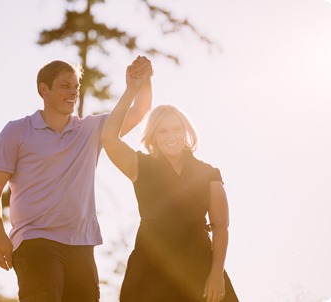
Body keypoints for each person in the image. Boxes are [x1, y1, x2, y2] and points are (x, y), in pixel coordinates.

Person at [0, 57, 153, 302]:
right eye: (65, 86)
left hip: (82, 245)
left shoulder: (91, 130)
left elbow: (138, 112)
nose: (73, 92)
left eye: (76, 87)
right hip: (35, 241)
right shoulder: (17, 131)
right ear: (44, 89)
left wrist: (141, 82)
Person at [101, 69, 239, 301]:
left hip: (199, 265)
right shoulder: (140, 166)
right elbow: (109, 138)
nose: (170, 136)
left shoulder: (209, 173)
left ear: (186, 132)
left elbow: (221, 226)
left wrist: (216, 274)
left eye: (176, 129)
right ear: (153, 137)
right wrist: (132, 90)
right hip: (150, 268)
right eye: (162, 131)